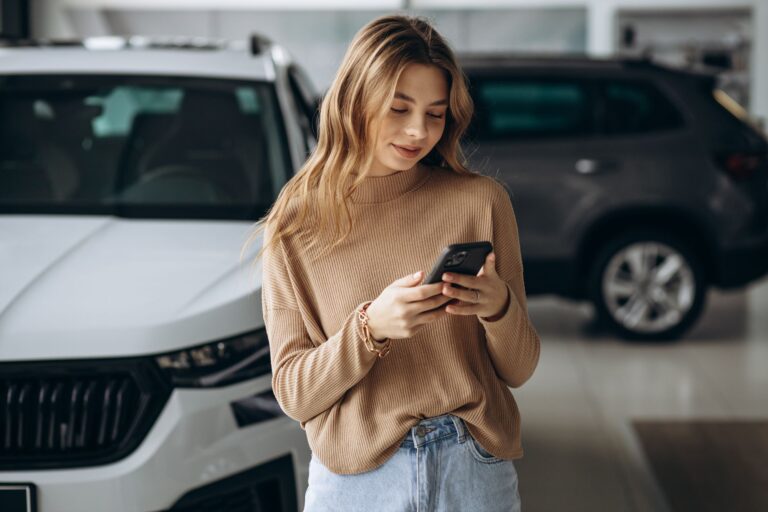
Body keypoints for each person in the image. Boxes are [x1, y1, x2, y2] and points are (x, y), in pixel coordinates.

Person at [241, 13, 541, 512]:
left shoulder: (481, 201)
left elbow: (521, 367)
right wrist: (369, 328)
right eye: (398, 108)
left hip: (472, 471)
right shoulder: (296, 223)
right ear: (355, 100)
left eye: (436, 113)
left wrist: (499, 307)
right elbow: (294, 393)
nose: (418, 130)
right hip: (357, 484)